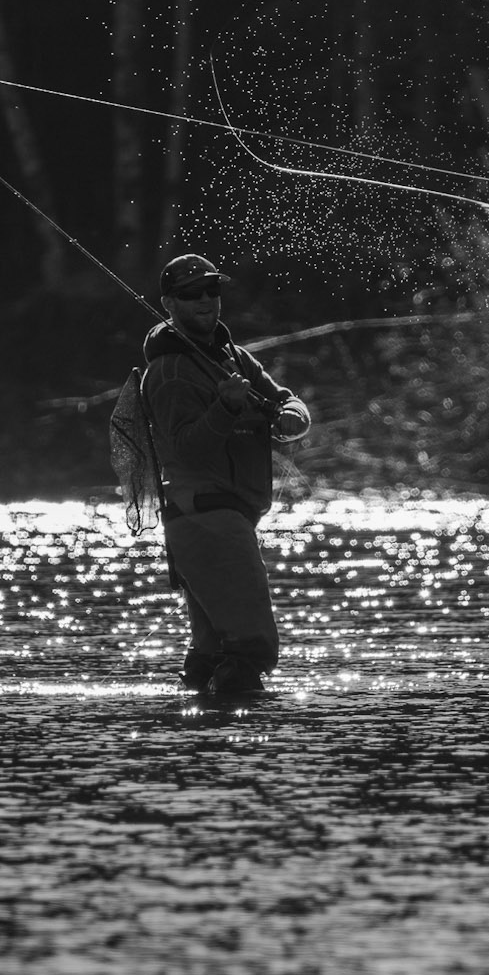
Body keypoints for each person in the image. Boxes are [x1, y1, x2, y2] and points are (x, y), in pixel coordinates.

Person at [141, 252, 310, 701]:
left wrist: (292, 415)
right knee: (250, 648)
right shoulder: (168, 372)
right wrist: (227, 406)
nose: (205, 301)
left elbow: (286, 400)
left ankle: (201, 748)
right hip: (204, 516)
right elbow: (188, 449)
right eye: (190, 294)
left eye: (212, 290)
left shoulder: (233, 356)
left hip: (225, 516)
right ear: (169, 303)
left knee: (214, 650)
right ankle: (244, 754)